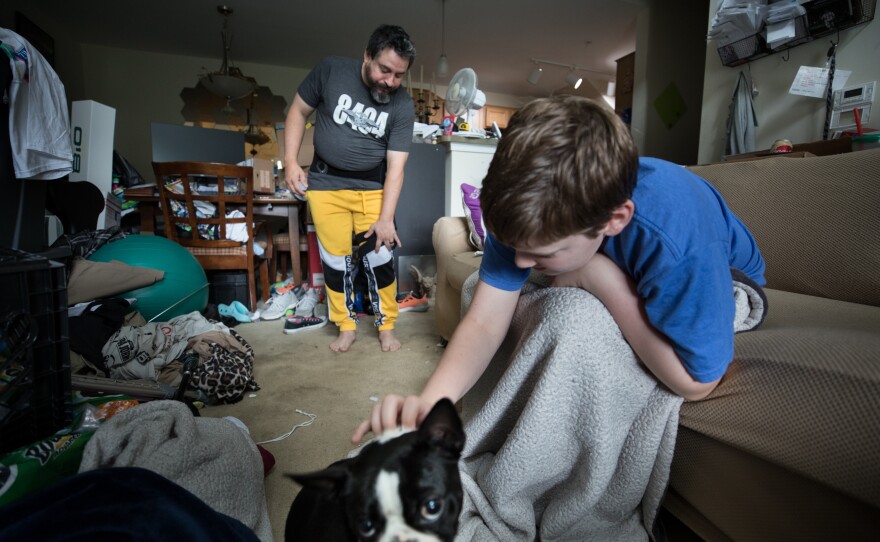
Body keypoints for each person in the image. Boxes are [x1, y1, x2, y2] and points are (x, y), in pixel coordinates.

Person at [353, 94, 766, 441]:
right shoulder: (522, 207)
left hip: (729, 278)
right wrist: (429, 405)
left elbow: (698, 382)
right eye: (513, 246)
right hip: (618, 249)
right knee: (482, 286)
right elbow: (483, 323)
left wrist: (599, 279)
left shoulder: (675, 240)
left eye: (541, 254)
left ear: (615, 220)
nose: (519, 262)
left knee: (572, 314)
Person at [284, 24, 416, 353]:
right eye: (385, 70)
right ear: (367, 56)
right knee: (335, 261)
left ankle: (386, 325)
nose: (391, 81)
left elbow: (397, 167)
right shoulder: (331, 70)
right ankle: (345, 324)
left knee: (381, 258)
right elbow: (298, 111)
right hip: (326, 184)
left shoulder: (402, 104)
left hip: (373, 187)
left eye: (399, 75)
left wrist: (387, 218)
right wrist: (289, 161)